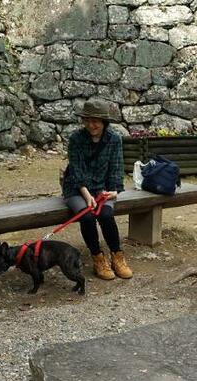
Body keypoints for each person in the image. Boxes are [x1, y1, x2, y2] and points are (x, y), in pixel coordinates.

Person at [61, 99, 133, 280]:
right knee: (87, 216)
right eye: (87, 120)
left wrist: (114, 190)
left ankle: (117, 256)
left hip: (103, 187)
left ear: (104, 122)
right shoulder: (76, 139)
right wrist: (86, 195)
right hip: (77, 188)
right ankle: (98, 258)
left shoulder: (114, 139)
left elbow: (116, 167)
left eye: (95, 121)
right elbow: (76, 169)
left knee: (106, 215)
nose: (91, 125)